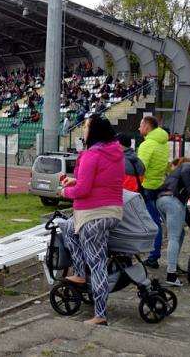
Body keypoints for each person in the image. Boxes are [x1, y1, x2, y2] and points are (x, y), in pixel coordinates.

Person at [60, 114, 124, 326]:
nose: (83, 131)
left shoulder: (91, 155)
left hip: (93, 215)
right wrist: (75, 180)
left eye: (86, 127)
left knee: (97, 265)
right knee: (68, 227)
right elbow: (98, 181)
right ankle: (79, 273)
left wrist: (64, 191)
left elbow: (82, 190)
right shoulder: (114, 152)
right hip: (112, 211)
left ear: (94, 131)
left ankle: (100, 315)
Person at [156, 157, 190, 286]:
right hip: (172, 200)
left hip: (161, 201)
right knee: (174, 237)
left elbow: (183, 210)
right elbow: (178, 205)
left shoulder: (174, 175)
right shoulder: (189, 167)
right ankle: (171, 274)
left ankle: (174, 264)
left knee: (179, 233)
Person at [137, 116, 170, 269]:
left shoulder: (147, 145)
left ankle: (153, 256)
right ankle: (152, 254)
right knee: (155, 221)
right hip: (158, 185)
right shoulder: (163, 143)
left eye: (140, 126)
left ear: (148, 127)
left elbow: (139, 168)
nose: (138, 129)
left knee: (152, 223)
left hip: (147, 187)